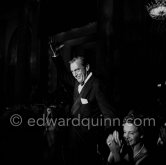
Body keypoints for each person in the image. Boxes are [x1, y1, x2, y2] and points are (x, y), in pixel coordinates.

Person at [49, 44, 116, 165]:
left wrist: (110, 133)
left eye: (77, 69)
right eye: (73, 71)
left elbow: (108, 113)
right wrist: (56, 56)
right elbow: (64, 75)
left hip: (88, 142)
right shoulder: (77, 81)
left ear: (87, 67)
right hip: (73, 138)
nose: (75, 74)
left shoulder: (96, 84)